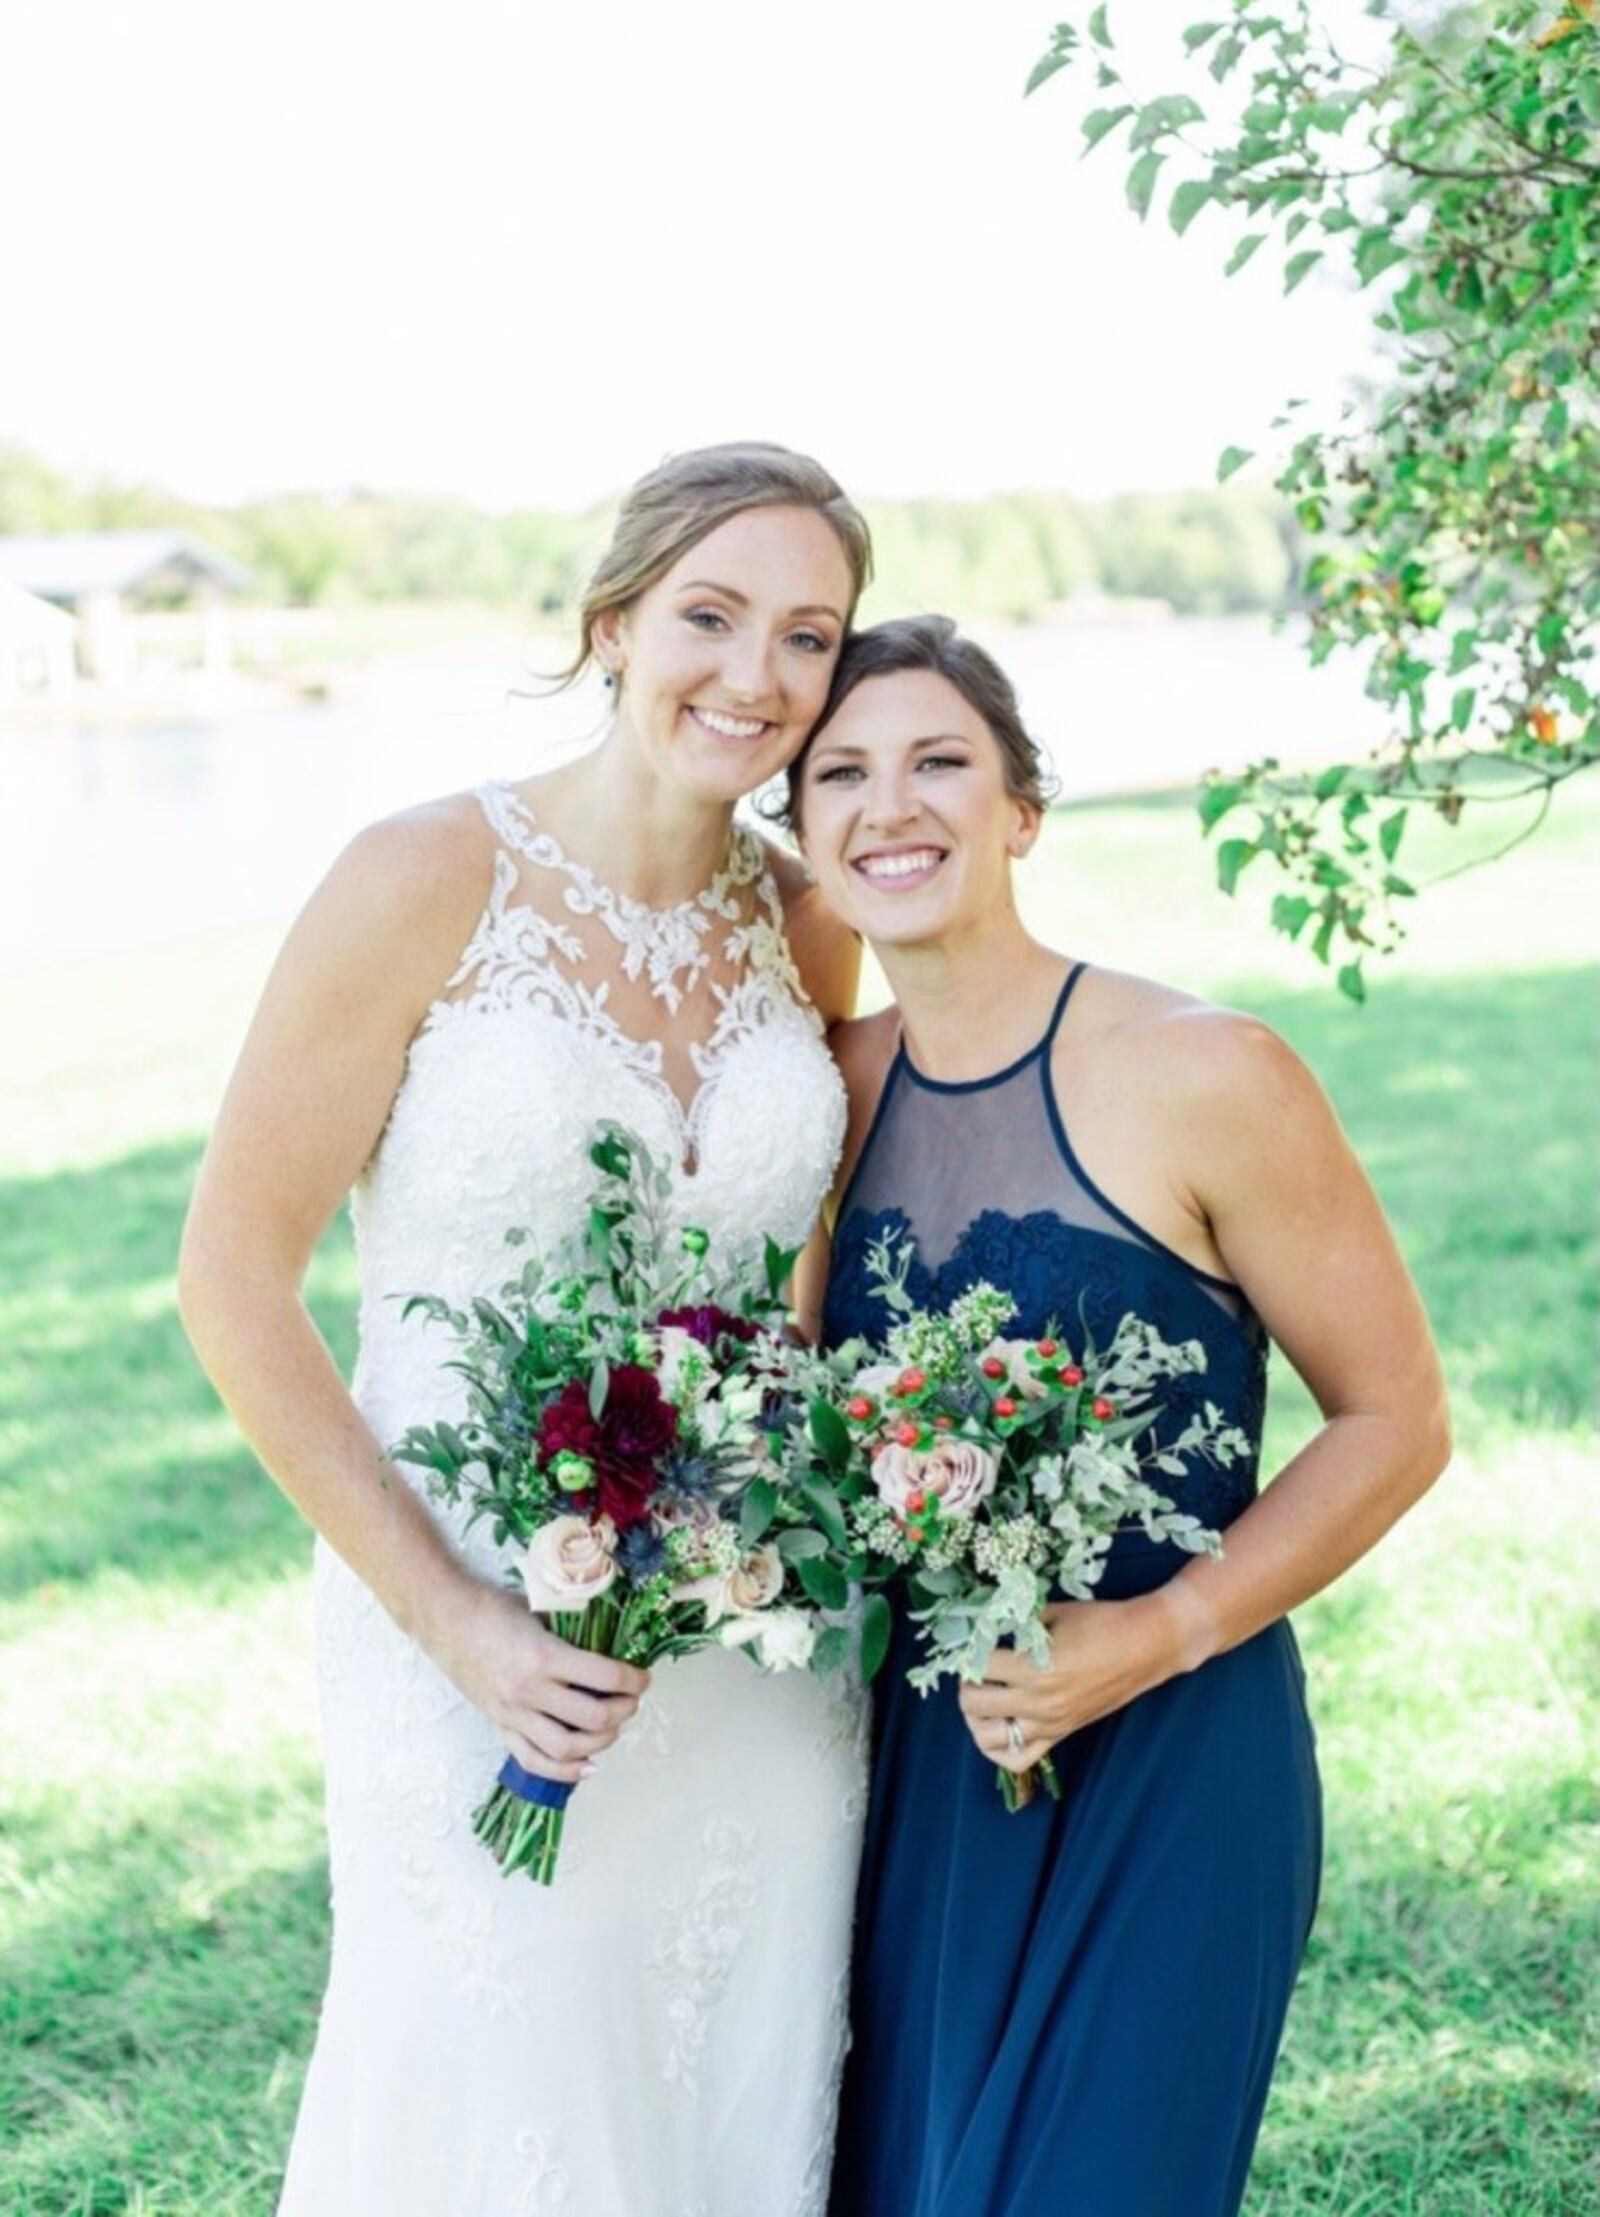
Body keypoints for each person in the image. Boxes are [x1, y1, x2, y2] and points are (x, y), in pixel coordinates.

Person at [178, 442, 875, 2215]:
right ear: (616, 620)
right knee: (499, 2088)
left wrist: (784, 1536)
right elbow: (232, 1278)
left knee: (735, 2068)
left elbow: (789, 1290)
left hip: (745, 1644)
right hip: (458, 1617)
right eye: (711, 616)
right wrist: (465, 1626)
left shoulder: (806, 921)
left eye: (809, 636)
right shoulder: (422, 875)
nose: (755, 674)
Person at [785, 616, 1452, 2217]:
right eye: (843, 774)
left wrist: (1164, 1632)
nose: (895, 806)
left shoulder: (1209, 1070)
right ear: (801, 832)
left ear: (1022, 806)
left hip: (1173, 1755)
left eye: (941, 760)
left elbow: (1397, 1420)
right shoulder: (817, 1097)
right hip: (917, 1780)